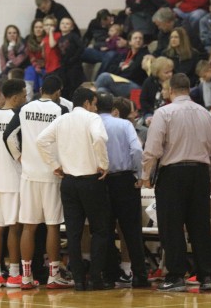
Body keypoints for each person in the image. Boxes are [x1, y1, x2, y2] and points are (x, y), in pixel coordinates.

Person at [142, 73, 211, 292]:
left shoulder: (164, 112)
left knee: (172, 226)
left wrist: (146, 175)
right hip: (200, 172)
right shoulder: (207, 115)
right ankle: (206, 276)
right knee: (200, 226)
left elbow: (152, 149)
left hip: (173, 173)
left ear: (170, 90)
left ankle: (176, 276)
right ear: (189, 89)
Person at [37, 87, 111, 291]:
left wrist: (54, 165)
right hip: (91, 181)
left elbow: (41, 140)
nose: (95, 108)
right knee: (100, 230)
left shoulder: (62, 120)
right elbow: (99, 138)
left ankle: (78, 279)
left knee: (73, 233)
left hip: (68, 182)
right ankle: (96, 277)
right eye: (94, 104)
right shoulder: (92, 119)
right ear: (87, 103)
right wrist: (103, 163)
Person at [4, 75, 72, 290]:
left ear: (41, 89)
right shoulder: (61, 111)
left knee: (28, 226)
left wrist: (20, 157)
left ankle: (25, 277)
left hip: (29, 174)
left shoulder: (24, 109)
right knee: (52, 225)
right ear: (58, 92)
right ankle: (53, 275)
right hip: (52, 174)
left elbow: (8, 136)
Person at [96, 92, 149, 288]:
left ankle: (109, 275)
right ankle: (139, 276)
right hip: (125, 180)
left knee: (105, 231)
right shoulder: (124, 124)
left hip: (101, 181)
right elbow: (136, 150)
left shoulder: (92, 125)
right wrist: (139, 173)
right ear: (114, 108)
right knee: (132, 230)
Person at [0, 79, 27, 289]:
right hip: (13, 178)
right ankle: (13, 274)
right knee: (14, 228)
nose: (26, 98)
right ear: (16, 96)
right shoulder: (16, 117)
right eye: (24, 95)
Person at [95, 31, 149, 97]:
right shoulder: (125, 54)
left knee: (104, 76)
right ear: (130, 42)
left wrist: (121, 71)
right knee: (102, 90)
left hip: (136, 86)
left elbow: (132, 73)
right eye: (135, 38)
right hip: (122, 82)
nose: (138, 40)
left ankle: (90, 99)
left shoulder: (144, 55)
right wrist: (121, 68)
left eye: (140, 38)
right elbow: (111, 69)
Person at [81, 9, 119, 75]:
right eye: (101, 21)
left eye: (105, 20)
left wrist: (95, 45)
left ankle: (98, 80)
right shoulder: (94, 23)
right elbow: (87, 37)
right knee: (79, 51)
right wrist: (85, 46)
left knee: (111, 55)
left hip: (110, 50)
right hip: (97, 51)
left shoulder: (116, 23)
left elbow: (116, 42)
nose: (103, 23)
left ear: (110, 17)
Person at [139, 56, 174, 122]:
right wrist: (154, 111)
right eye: (166, 72)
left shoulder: (175, 81)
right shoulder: (149, 82)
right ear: (157, 73)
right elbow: (143, 100)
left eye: (171, 71)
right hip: (151, 112)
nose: (170, 74)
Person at [57, 17, 85, 100]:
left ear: (72, 27)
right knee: (64, 85)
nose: (64, 25)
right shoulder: (59, 38)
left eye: (67, 23)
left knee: (73, 85)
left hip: (74, 65)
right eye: (62, 23)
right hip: (64, 65)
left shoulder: (73, 36)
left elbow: (81, 47)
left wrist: (74, 58)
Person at [25, 19, 46, 93]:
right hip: (35, 66)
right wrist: (36, 66)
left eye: (40, 27)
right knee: (30, 70)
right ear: (33, 29)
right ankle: (29, 95)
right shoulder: (29, 41)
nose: (38, 29)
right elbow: (32, 57)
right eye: (36, 27)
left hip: (46, 66)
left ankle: (41, 95)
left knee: (41, 75)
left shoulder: (47, 40)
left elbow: (48, 57)